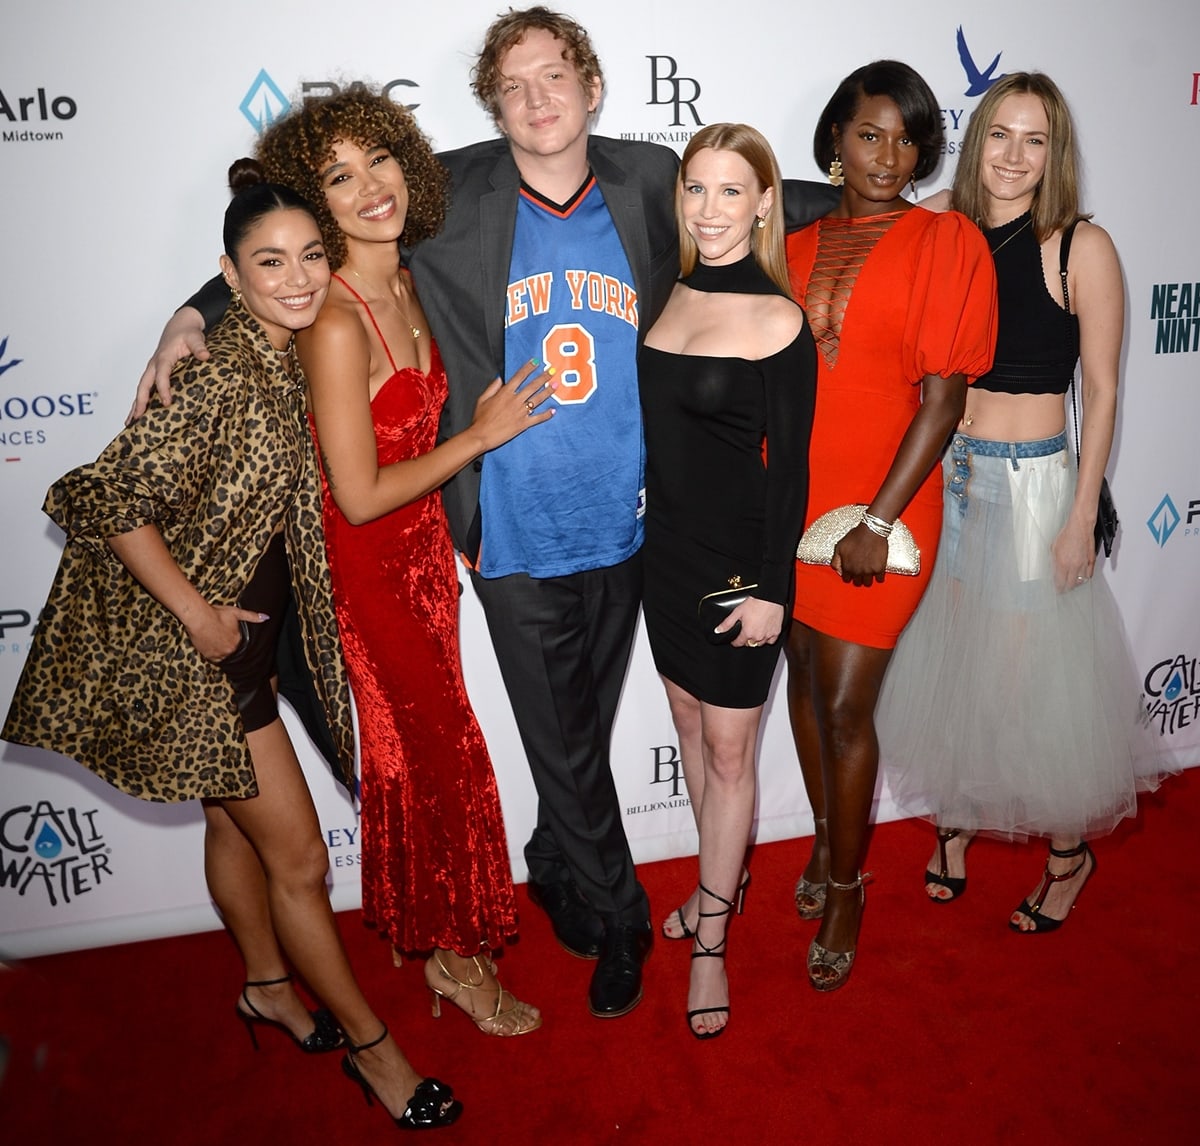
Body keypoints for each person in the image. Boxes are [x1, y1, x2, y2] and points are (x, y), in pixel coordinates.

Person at [132, 6, 838, 1018]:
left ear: (591, 87)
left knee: (580, 739)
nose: (537, 98)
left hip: (635, 528)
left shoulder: (649, 180)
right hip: (509, 533)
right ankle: (623, 916)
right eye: (513, 84)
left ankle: (557, 858)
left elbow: (775, 195)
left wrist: (901, 202)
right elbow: (301, 243)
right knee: (560, 742)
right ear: (492, 105)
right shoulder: (449, 193)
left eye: (555, 76)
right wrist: (191, 311)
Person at [3, 165, 461, 1130]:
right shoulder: (217, 378)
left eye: (309, 258)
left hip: (255, 636)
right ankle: (378, 1056)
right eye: (269, 263)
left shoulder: (287, 349)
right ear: (230, 272)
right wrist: (200, 618)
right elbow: (94, 497)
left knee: (230, 825)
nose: (296, 279)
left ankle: (264, 986)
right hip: (206, 657)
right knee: (299, 863)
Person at [258, 89, 550, 1036]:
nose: (368, 187)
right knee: (436, 766)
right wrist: (480, 437)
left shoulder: (410, 279)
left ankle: (434, 931)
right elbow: (358, 494)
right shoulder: (337, 322)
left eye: (379, 160)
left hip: (425, 565)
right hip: (373, 575)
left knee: (434, 762)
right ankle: (456, 963)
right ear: (315, 200)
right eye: (337, 177)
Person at [876, 73, 1170, 931]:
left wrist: (1080, 516)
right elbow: (888, 200)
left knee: (1034, 681)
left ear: (1056, 153)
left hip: (1036, 481)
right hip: (952, 474)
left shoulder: (1082, 246)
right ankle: (958, 817)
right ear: (976, 144)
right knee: (953, 657)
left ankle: (1069, 855)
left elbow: (1105, 393)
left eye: (1033, 140)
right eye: (998, 135)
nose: (1012, 156)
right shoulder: (947, 228)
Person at [783, 60, 997, 990]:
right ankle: (829, 831)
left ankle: (846, 886)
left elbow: (943, 401)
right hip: (790, 496)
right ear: (835, 139)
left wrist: (875, 517)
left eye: (908, 138)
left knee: (844, 704)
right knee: (798, 677)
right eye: (870, 134)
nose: (889, 155)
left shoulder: (948, 243)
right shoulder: (784, 249)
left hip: (884, 505)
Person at [639, 123, 816, 1038]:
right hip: (662, 556)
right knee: (686, 728)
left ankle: (711, 941)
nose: (710, 210)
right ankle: (725, 882)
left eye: (730, 192)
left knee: (730, 755)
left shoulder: (780, 319)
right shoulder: (666, 294)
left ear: (762, 203)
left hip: (742, 567)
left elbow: (790, 473)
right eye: (695, 190)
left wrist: (773, 591)